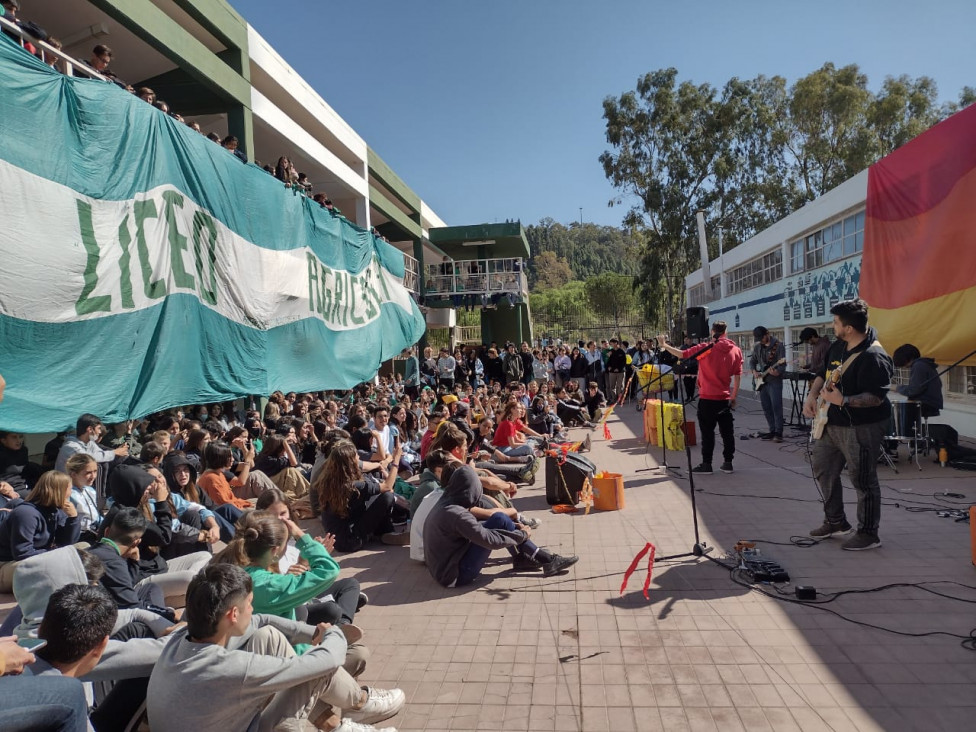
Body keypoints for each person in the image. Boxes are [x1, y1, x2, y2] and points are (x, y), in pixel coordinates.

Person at [147, 563, 405, 732]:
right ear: (233, 615)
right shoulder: (231, 668)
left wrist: (312, 633)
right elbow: (324, 662)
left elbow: (262, 621)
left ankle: (342, 722)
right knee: (315, 670)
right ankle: (360, 704)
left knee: (268, 636)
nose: (253, 609)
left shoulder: (180, 641)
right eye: (250, 603)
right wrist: (333, 635)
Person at [802, 299, 893, 551]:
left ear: (849, 328)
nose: (833, 326)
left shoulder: (874, 357)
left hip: (862, 426)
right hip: (831, 423)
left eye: (835, 322)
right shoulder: (838, 346)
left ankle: (868, 533)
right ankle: (835, 521)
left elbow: (876, 397)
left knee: (862, 479)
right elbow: (822, 372)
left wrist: (844, 400)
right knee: (823, 469)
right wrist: (812, 396)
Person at [423, 465, 577, 585]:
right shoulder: (456, 513)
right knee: (500, 521)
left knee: (499, 519)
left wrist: (512, 530)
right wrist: (521, 535)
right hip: (454, 576)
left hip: (443, 569)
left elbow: (476, 529)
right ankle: (546, 560)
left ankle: (528, 557)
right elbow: (489, 540)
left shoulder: (447, 503)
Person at [657, 321, 742, 474]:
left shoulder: (706, 348)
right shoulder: (735, 350)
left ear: (712, 331)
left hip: (708, 398)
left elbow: (682, 354)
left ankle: (707, 464)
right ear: (726, 331)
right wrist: (734, 396)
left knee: (708, 432)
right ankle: (728, 462)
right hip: (724, 398)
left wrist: (664, 345)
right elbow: (737, 375)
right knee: (727, 432)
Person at [315, 441, 408, 551]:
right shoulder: (352, 486)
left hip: (339, 539)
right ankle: (385, 532)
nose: (359, 457)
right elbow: (387, 487)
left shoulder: (329, 479)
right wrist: (396, 461)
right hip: (351, 541)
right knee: (386, 496)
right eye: (356, 456)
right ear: (351, 462)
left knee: (376, 496)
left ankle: (382, 531)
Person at [0, 471, 80, 592]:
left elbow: (65, 543)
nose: (70, 493)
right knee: (58, 564)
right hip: (8, 565)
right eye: (69, 489)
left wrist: (73, 519)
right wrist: (54, 553)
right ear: (59, 491)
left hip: (36, 560)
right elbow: (22, 553)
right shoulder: (26, 514)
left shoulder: (54, 511)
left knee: (83, 549)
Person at [55, 413, 128, 473]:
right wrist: (114, 452)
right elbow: (88, 458)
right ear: (90, 429)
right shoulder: (71, 446)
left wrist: (119, 451)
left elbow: (100, 454)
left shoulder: (89, 443)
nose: (100, 432)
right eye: (98, 428)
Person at [749, 326, 786, 442]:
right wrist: (754, 371)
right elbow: (752, 361)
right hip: (762, 382)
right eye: (759, 338)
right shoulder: (757, 347)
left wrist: (777, 372)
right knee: (766, 407)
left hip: (774, 382)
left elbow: (782, 364)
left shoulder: (778, 346)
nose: (761, 340)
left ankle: (778, 433)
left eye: (762, 337)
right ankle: (772, 430)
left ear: (767, 333)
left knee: (776, 407)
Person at [890, 344, 943, 417]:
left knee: (894, 413)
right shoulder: (925, 364)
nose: (906, 367)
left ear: (909, 358)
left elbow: (914, 389)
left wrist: (896, 388)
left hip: (927, 403)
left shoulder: (919, 366)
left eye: (904, 364)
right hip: (930, 402)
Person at [64, 454, 101, 541]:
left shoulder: (90, 490)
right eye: (88, 473)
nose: (93, 476)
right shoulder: (68, 494)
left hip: (94, 532)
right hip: (79, 537)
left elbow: (95, 516)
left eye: (95, 471)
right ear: (73, 474)